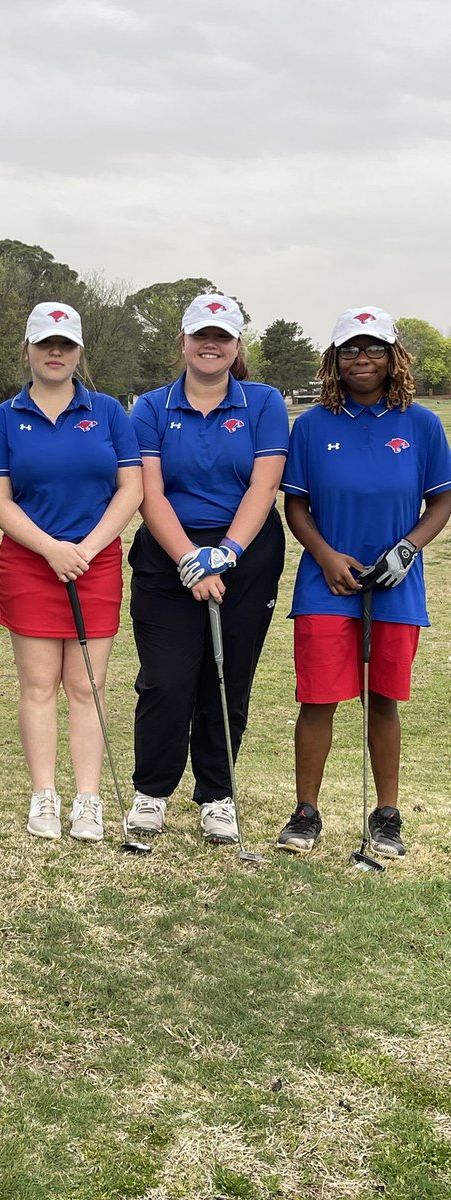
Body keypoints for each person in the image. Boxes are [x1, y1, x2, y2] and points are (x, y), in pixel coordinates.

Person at [276, 307, 451, 857]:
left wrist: (409, 547)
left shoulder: (420, 423)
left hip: (397, 584)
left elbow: (441, 499)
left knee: (384, 700)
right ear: (334, 359)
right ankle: (305, 813)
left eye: (374, 348)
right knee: (319, 700)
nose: (362, 359)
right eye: (350, 349)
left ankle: (386, 815)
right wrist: (326, 556)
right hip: (327, 584)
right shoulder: (309, 425)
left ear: (393, 356)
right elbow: (296, 506)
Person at [128, 294, 288, 844]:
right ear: (184, 342)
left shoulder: (263, 403)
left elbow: (264, 485)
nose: (211, 344)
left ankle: (217, 795)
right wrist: (189, 559)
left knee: (227, 677)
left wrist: (227, 552)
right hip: (168, 555)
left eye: (222, 335)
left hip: (245, 552)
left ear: (238, 345)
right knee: (165, 682)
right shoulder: (150, 407)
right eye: (201, 335)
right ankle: (151, 792)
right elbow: (150, 491)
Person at [0, 302, 143, 841]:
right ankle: (44, 795)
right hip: (31, 563)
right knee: (37, 684)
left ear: (78, 352)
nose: (55, 352)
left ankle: (88, 799)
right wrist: (52, 549)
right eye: (45, 343)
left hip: (94, 562)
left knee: (88, 685)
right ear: (27, 349)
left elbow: (131, 489)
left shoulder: (109, 413)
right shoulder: (3, 417)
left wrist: (89, 548)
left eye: (65, 344)